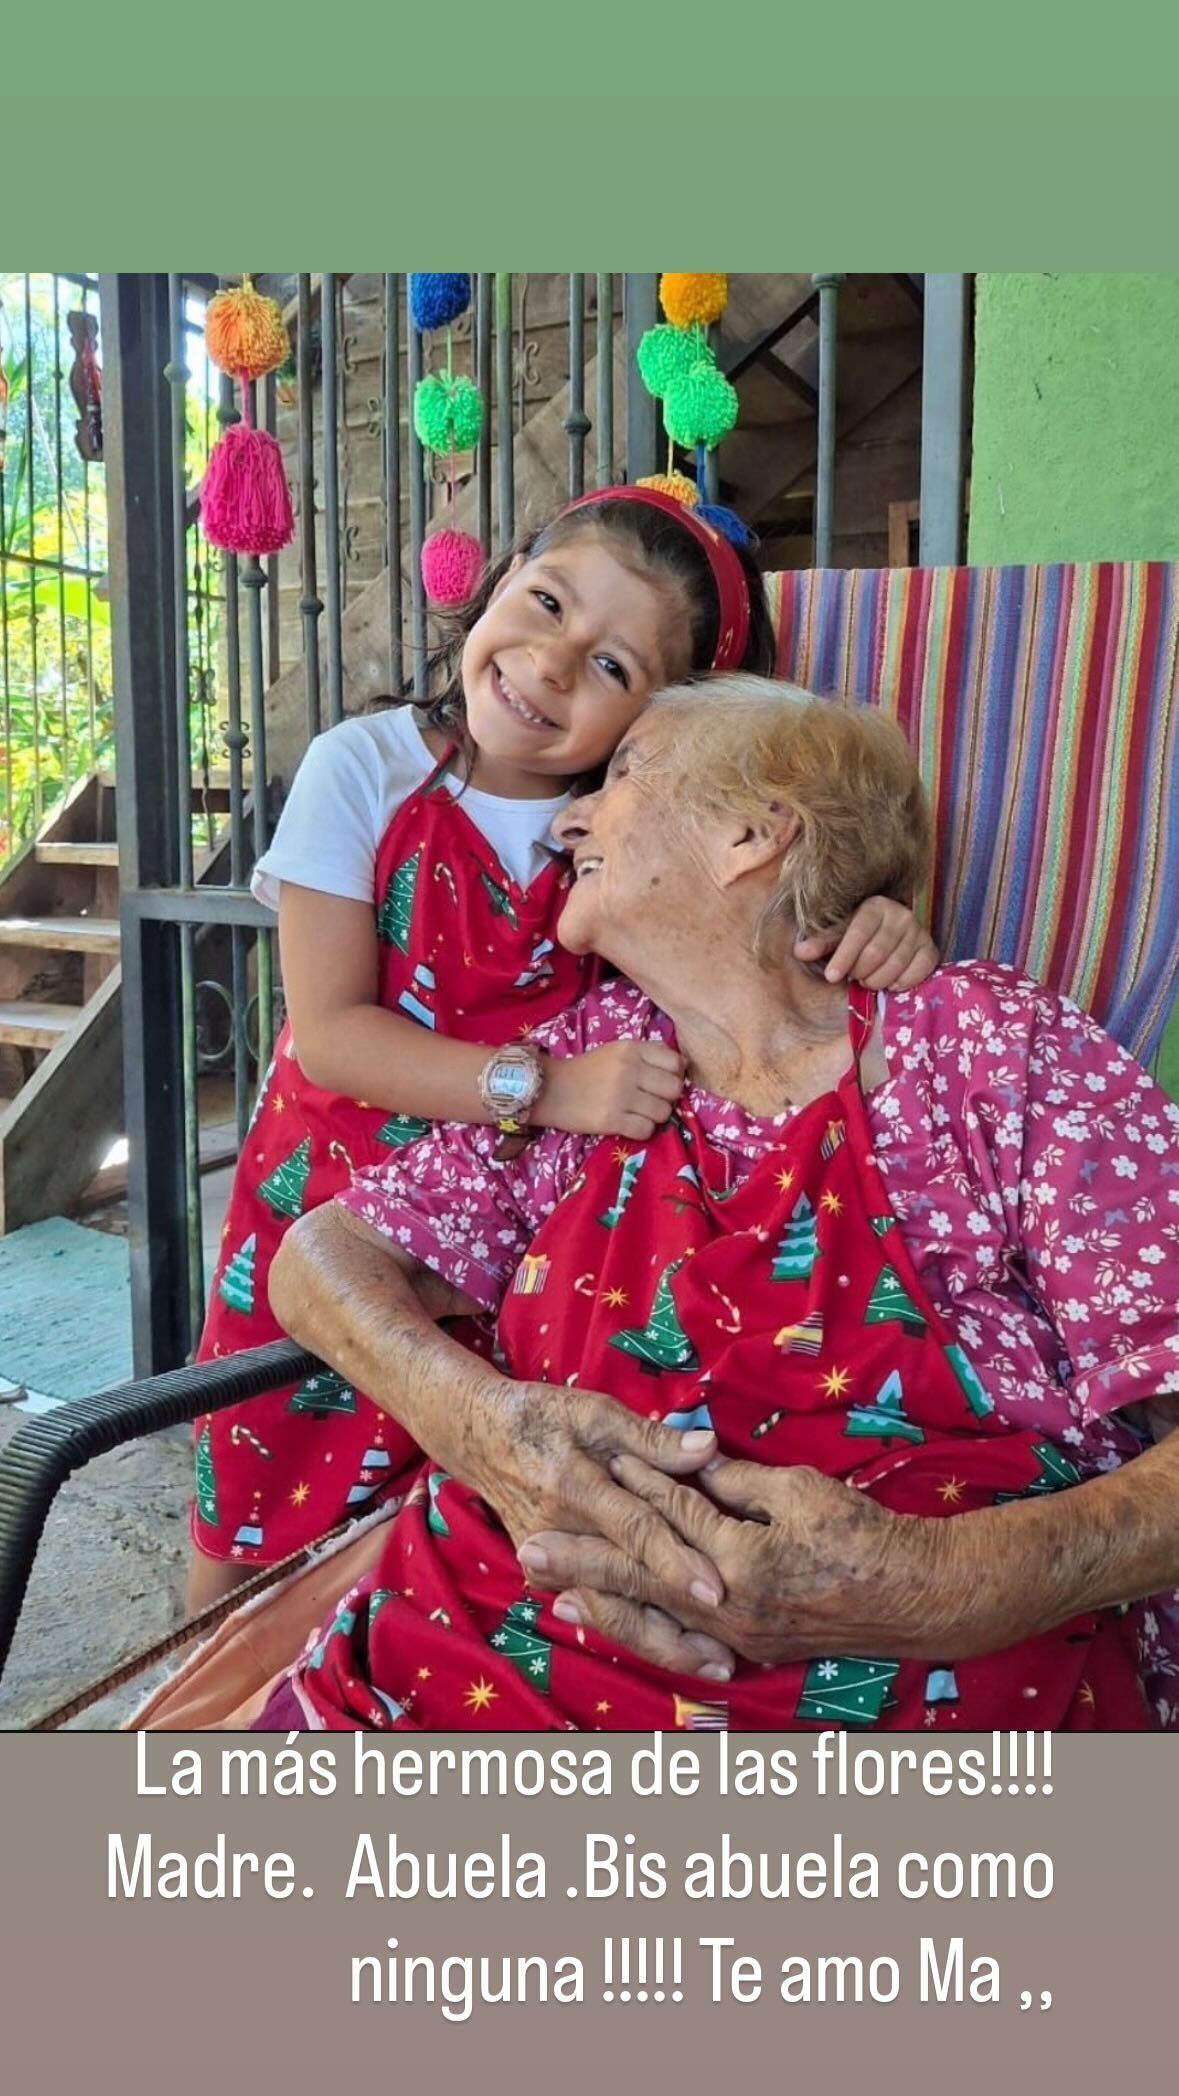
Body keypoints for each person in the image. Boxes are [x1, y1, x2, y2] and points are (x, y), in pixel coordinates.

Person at [251, 676, 1179, 1733]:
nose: (569, 817)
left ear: (751, 834)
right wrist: (490, 1430)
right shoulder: (585, 1065)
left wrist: (945, 1577)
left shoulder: (986, 1047)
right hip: (452, 1680)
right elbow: (320, 1259)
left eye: (626, 772)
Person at [190, 491, 936, 1613]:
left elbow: (768, 938)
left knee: (431, 1509)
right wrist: (544, 1089)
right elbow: (335, 1036)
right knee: (252, 1480)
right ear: (500, 579)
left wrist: (880, 918)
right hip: (322, 1198)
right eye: (544, 602)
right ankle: (188, 1717)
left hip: (509, 1228)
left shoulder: (631, 835)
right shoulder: (367, 767)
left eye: (612, 669)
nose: (547, 664)